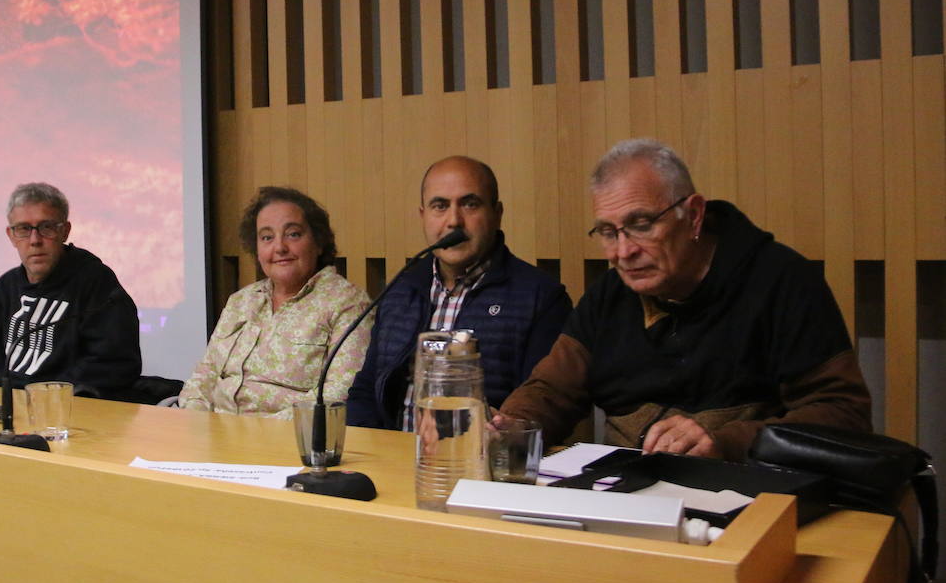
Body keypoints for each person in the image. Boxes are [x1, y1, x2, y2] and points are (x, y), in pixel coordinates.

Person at [500, 138, 872, 460]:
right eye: (608, 232)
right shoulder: (611, 293)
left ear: (693, 216)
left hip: (751, 493)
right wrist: (508, 425)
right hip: (628, 495)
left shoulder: (781, 281)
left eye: (642, 225)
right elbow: (551, 390)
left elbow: (843, 413)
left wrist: (727, 442)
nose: (624, 251)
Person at [347, 156, 571, 430]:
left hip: (482, 460)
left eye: (470, 204)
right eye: (439, 206)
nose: (454, 221)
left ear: (497, 214)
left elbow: (543, 403)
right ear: (423, 216)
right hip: (393, 457)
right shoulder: (401, 289)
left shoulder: (541, 297)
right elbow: (367, 389)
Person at [179, 186, 371, 416]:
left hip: (283, 442)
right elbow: (205, 374)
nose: (279, 247)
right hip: (214, 435)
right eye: (267, 237)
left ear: (319, 242)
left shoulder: (347, 303)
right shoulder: (241, 301)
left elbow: (336, 395)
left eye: (293, 234)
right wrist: (194, 421)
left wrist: (253, 435)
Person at [0, 182, 141, 399]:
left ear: (65, 231)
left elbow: (113, 366)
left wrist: (43, 399)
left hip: (64, 414)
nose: (35, 240)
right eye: (24, 229)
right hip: (7, 412)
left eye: (46, 227)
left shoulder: (95, 283)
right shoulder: (7, 286)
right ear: (11, 236)